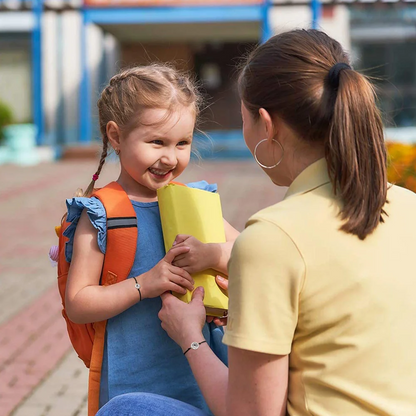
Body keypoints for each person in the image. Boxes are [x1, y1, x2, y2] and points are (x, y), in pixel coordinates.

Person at [97, 29, 416, 416]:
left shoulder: (274, 237)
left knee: (126, 408)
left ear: (266, 124)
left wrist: (190, 338)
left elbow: (250, 413)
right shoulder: (406, 205)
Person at [64, 64, 239, 413]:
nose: (170, 158)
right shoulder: (102, 214)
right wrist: (144, 283)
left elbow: (251, 253)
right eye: (156, 142)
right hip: (134, 386)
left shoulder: (194, 202)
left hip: (202, 378)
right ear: (115, 136)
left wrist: (212, 254)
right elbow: (78, 303)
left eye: (183, 143)